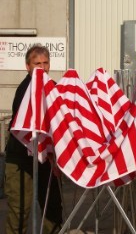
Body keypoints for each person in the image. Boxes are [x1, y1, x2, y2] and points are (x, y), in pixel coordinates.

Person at [4, 45, 63, 234]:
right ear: (27, 66)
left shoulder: (52, 87)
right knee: (19, 210)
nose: (42, 67)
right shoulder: (25, 90)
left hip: (45, 158)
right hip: (20, 160)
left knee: (52, 208)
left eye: (45, 63)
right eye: (37, 63)